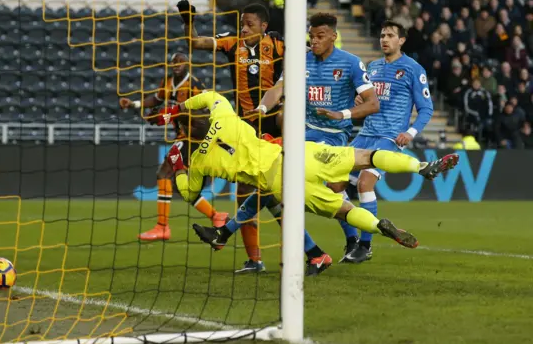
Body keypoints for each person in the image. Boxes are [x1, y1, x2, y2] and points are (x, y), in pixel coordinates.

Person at [149, 92, 458, 270]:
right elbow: (211, 96)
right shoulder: (225, 115)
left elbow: (190, 193)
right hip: (293, 154)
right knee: (366, 156)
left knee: (341, 209)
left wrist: (178, 167)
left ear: (188, 134)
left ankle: (379, 228)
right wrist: (179, 107)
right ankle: (421, 167)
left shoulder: (200, 162)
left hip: (278, 183)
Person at [254, 12, 380, 260]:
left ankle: (227, 229)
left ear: (334, 36)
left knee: (280, 181)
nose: (314, 41)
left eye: (320, 36)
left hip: (334, 134)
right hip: (304, 133)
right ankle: (354, 241)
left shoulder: (351, 63)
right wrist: (262, 108)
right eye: (311, 36)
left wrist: (341, 114)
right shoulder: (300, 60)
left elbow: (372, 104)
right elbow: (278, 88)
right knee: (332, 188)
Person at [176, 0, 284, 273]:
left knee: (278, 194)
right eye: (242, 24)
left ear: (264, 26)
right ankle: (254, 260)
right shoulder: (232, 43)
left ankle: (304, 251)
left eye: (250, 24)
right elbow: (195, 43)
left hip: (274, 126)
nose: (244, 29)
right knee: (245, 193)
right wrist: (189, 21)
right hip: (244, 130)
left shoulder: (280, 46)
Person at [327, 21, 434, 263]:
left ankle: (366, 246)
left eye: (390, 35)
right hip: (365, 134)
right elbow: (368, 100)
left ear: (401, 40)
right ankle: (353, 239)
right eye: (382, 35)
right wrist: (359, 100)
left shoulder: (413, 69)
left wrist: (410, 132)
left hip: (388, 138)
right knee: (332, 185)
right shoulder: (373, 68)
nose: (384, 39)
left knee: (365, 183)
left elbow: (426, 108)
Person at [119, 53, 228, 241]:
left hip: (194, 138)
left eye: (180, 62)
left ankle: (162, 227)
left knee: (164, 173)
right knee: (179, 186)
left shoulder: (194, 85)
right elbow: (156, 100)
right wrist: (134, 103)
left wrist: (164, 117)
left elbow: (201, 113)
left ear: (187, 64)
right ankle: (216, 216)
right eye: (174, 63)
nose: (177, 65)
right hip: (183, 137)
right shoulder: (167, 82)